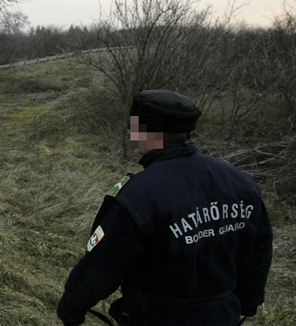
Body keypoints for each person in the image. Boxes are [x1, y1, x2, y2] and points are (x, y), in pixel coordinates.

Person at [57, 90, 273, 326]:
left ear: (143, 129)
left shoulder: (137, 197)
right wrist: (248, 302)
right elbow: (260, 249)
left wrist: (71, 310)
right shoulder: (238, 181)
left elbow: (101, 269)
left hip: (158, 318)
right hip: (224, 315)